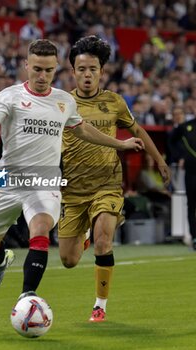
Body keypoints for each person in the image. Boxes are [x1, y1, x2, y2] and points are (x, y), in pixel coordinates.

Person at [0, 39, 144, 301]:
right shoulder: (10, 96)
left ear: (56, 69)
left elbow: (83, 129)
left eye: (49, 70)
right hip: (7, 178)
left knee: (40, 229)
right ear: (26, 66)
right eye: (37, 69)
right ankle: (0, 260)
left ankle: (27, 298)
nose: (42, 76)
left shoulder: (64, 101)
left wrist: (120, 143)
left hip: (45, 178)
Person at [58, 36, 171, 322]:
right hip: (73, 189)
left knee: (103, 243)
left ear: (101, 72)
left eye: (92, 69)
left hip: (107, 184)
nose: (87, 74)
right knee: (68, 261)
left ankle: (99, 305)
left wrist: (159, 160)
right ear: (73, 72)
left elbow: (139, 131)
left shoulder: (114, 102)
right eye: (81, 69)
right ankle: (85, 237)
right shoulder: (61, 103)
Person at [170, 111, 196, 250]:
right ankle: (194, 237)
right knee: (191, 206)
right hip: (191, 172)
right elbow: (171, 141)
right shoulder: (186, 127)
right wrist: (179, 156)